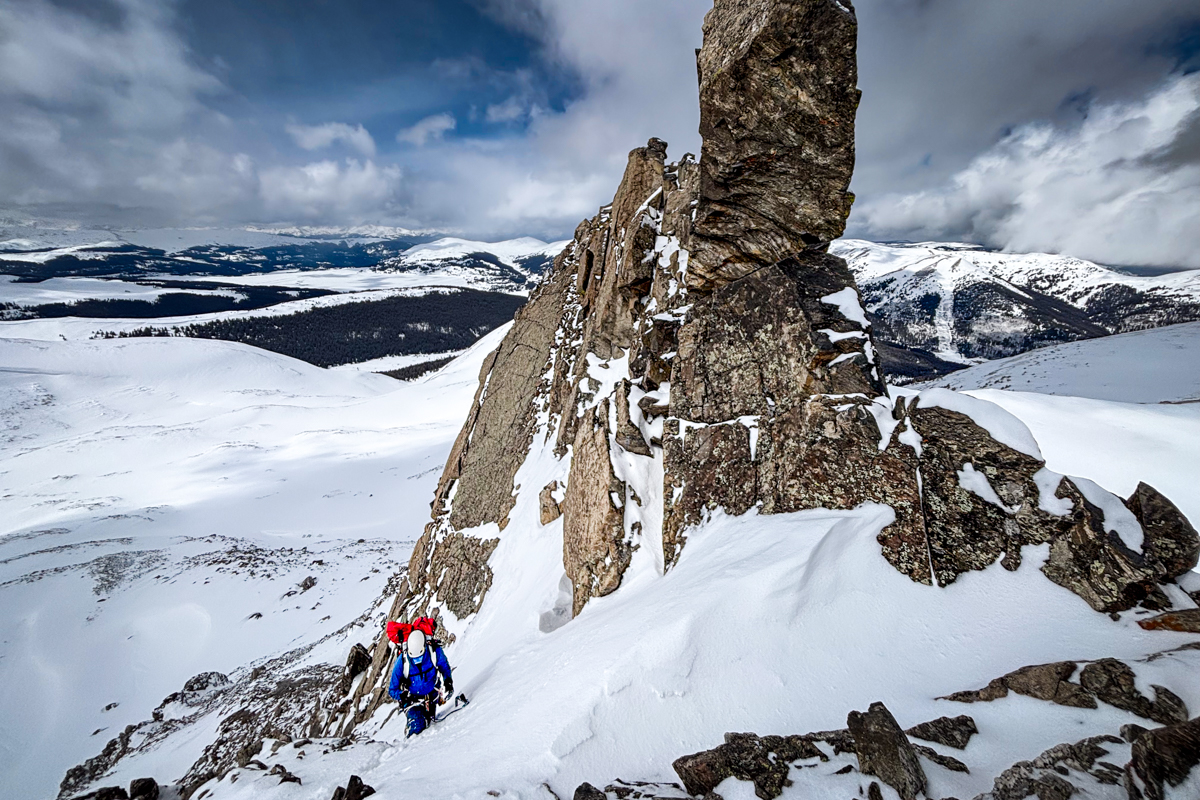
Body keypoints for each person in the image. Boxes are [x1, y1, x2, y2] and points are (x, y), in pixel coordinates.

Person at [388, 628, 453, 737]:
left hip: (432, 696)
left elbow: (444, 667)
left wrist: (448, 681)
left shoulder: (434, 652)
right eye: (414, 657)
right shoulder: (402, 661)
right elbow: (392, 689)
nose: (417, 660)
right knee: (417, 726)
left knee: (429, 721)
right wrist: (402, 696)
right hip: (412, 700)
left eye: (420, 656)